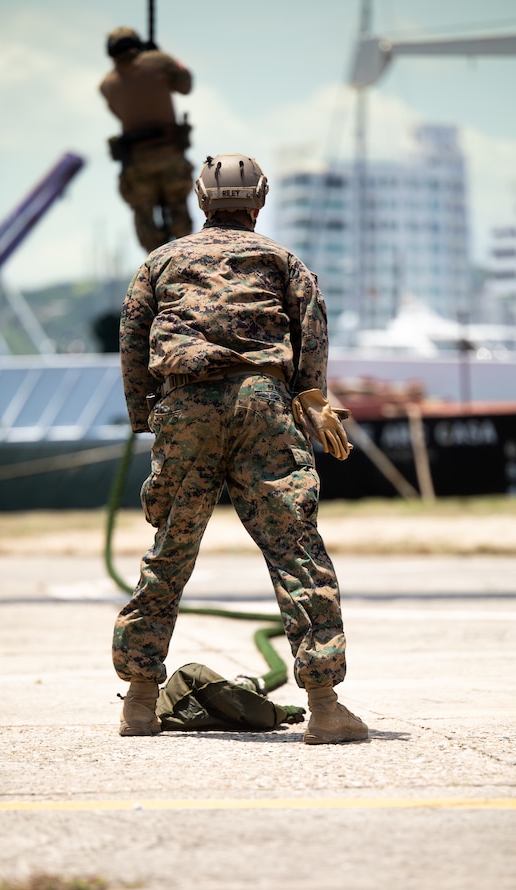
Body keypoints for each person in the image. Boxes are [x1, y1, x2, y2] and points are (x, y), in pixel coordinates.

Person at [113, 153, 369, 745]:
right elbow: (313, 327)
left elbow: (132, 338)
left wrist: (147, 417)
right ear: (259, 201)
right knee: (295, 550)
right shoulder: (282, 259)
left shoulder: (160, 260)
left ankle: (141, 702)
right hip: (263, 403)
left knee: (170, 549)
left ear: (202, 201)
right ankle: (326, 708)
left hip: (184, 402)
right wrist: (312, 395)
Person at [98, 26, 194, 253]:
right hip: (171, 155)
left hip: (137, 165)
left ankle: (157, 265)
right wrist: (163, 58)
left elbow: (119, 111)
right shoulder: (159, 62)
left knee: (144, 217)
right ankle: (188, 259)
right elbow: (185, 84)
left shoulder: (107, 85)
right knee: (179, 211)